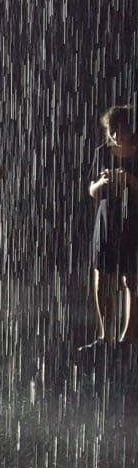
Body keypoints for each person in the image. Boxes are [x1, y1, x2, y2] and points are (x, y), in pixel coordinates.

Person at [82, 104, 138, 351]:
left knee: (131, 280)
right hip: (107, 221)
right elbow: (91, 191)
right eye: (112, 130)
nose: (116, 135)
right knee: (101, 279)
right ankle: (106, 336)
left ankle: (129, 336)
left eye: (121, 129)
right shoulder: (103, 152)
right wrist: (102, 182)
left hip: (134, 220)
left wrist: (130, 180)